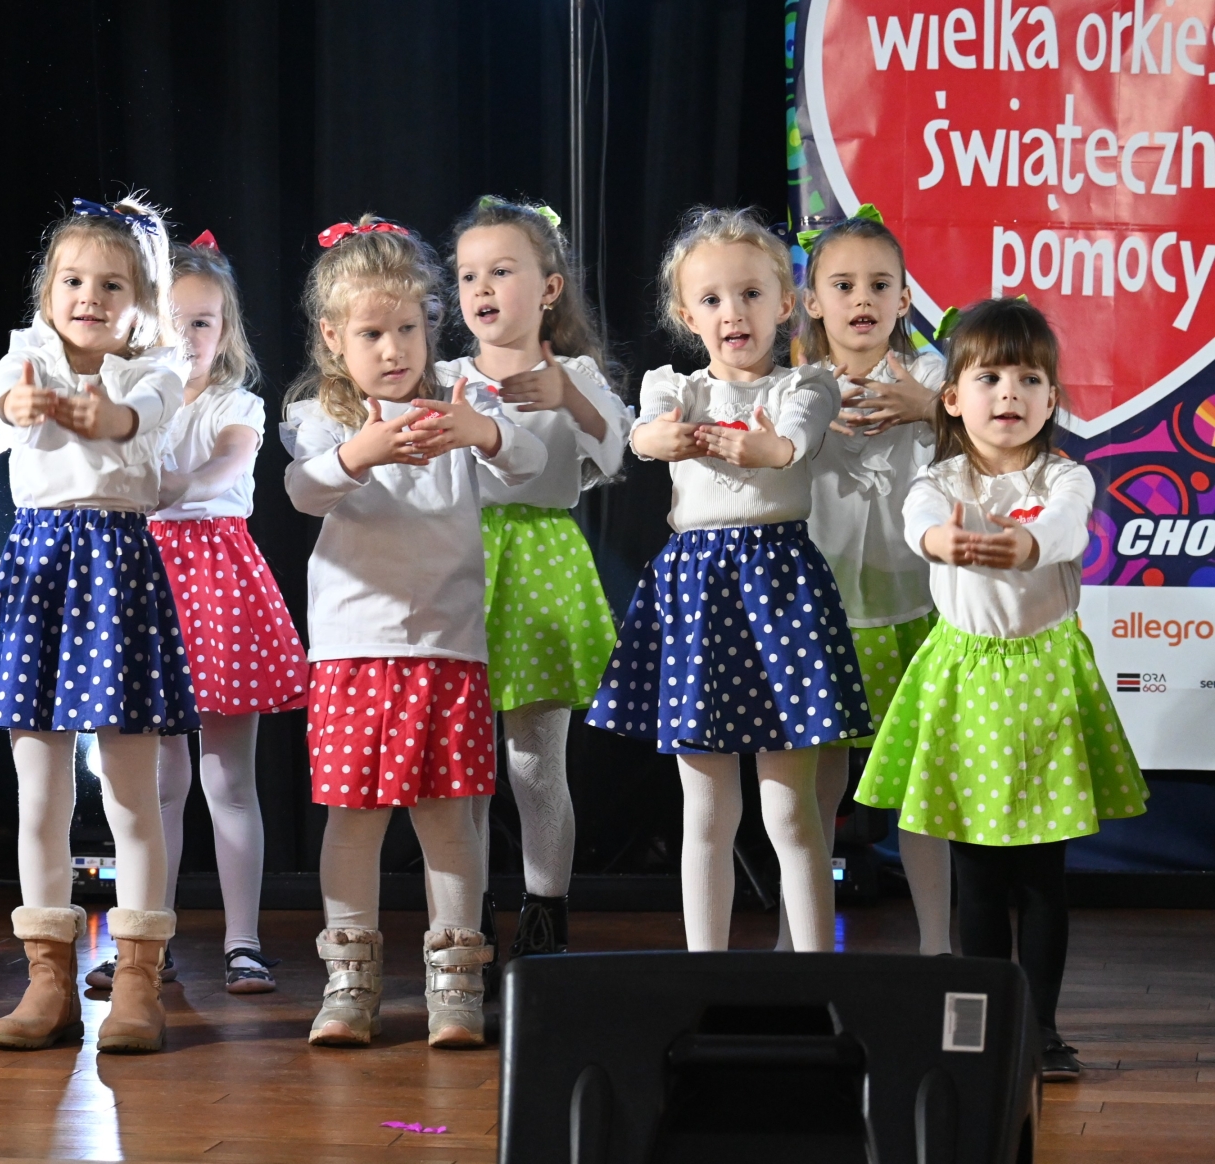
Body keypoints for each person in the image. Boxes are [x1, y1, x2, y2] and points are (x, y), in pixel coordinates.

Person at [854, 297, 1147, 1081]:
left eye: (1028, 379)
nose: (1008, 393)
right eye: (988, 378)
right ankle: (982, 1028)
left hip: (1045, 680)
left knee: (1042, 877)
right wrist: (941, 539)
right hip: (966, 684)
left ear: (1051, 400)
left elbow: (1065, 528)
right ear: (952, 398)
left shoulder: (1064, 477)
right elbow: (919, 521)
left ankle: (1042, 1032)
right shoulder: (938, 479)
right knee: (977, 877)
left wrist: (1023, 544)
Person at [283, 216, 544, 1049]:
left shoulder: (462, 399)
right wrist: (359, 452)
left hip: (445, 648)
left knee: (448, 820)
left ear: (430, 324)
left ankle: (455, 981)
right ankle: (349, 981)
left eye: (406, 328)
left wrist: (482, 432)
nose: (392, 349)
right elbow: (302, 490)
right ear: (333, 337)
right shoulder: (321, 415)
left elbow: (530, 463)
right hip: (354, 653)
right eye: (371, 334)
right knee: (353, 820)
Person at [587, 207, 872, 953]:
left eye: (749, 294)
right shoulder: (674, 387)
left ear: (784, 304)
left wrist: (760, 448)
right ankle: (703, 975)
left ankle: (812, 975)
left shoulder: (804, 385)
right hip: (697, 593)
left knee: (790, 812)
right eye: (711, 299)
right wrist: (661, 434)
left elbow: (792, 442)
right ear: (688, 316)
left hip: (780, 588)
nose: (732, 313)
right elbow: (643, 434)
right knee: (707, 811)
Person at [0, 196, 196, 1055]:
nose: (88, 297)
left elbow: (129, 419)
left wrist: (96, 415)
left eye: (110, 285)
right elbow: (11, 403)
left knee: (132, 792)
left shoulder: (155, 370)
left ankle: (136, 979)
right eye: (71, 280)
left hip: (114, 573)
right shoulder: (21, 357)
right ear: (46, 290)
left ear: (141, 301)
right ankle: (48, 979)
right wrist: (31, 406)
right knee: (38, 791)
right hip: (39, 569)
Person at [439, 196, 631, 959]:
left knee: (534, 762)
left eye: (501, 271)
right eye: (468, 276)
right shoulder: (445, 376)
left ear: (549, 288)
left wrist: (570, 399)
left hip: (542, 562)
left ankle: (544, 918)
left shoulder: (573, 373)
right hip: (454, 562)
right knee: (463, 765)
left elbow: (614, 455)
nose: (481, 288)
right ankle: (466, 920)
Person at [117, 232, 305, 997]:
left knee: (227, 779)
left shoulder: (236, 404)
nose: (188, 336)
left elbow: (228, 458)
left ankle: (242, 942)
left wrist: (175, 485)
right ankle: (148, 941)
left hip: (218, 582)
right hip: (146, 581)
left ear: (225, 332)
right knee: (158, 782)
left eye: (203, 321)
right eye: (174, 320)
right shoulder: (132, 404)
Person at [796, 211, 953, 955]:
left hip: (911, 607)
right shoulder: (799, 386)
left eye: (879, 284)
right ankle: (801, 938)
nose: (862, 298)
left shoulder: (934, 378)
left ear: (903, 299)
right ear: (812, 301)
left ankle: (936, 944)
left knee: (922, 787)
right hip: (823, 611)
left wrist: (929, 410)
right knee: (814, 786)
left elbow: (999, 436)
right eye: (843, 284)